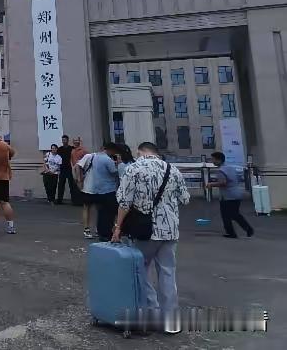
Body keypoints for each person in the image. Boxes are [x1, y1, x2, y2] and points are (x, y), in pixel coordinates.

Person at [113, 141, 190, 334]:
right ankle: (171, 321)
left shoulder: (134, 169)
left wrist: (117, 228)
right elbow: (185, 199)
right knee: (167, 272)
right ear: (157, 152)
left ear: (140, 152)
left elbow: (124, 202)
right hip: (170, 229)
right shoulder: (173, 169)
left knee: (141, 270)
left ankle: (151, 313)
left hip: (145, 230)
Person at [208, 151, 254, 239]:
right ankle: (248, 229)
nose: (212, 161)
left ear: (219, 160)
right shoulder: (231, 167)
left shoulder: (221, 170)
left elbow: (223, 183)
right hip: (237, 194)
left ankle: (232, 233)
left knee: (226, 215)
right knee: (235, 214)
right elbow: (237, 178)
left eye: (213, 159)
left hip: (228, 196)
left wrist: (211, 184)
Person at [80, 142, 120, 241]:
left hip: (98, 189)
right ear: (110, 150)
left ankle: (101, 232)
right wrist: (118, 163)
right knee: (109, 213)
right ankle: (106, 233)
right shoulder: (107, 159)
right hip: (108, 189)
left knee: (101, 212)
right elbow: (114, 172)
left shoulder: (96, 157)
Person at [55, 134, 78, 205]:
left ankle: (75, 201)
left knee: (72, 185)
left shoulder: (71, 148)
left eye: (65, 140)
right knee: (61, 184)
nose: (63, 141)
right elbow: (57, 158)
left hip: (70, 168)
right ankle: (59, 200)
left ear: (67, 140)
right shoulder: (60, 149)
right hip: (62, 169)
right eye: (62, 140)